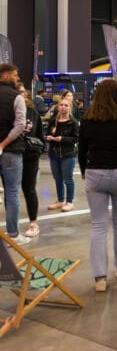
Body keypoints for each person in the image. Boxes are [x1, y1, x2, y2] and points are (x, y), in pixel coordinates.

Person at [78, 79, 117, 292]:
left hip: (95, 173)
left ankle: (99, 277)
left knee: (98, 225)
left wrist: (85, 171)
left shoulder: (87, 119)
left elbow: (82, 151)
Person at [0, 64, 28, 245]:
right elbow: (20, 125)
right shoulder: (17, 97)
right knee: (12, 193)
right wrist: (2, 144)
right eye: (15, 75)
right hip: (11, 152)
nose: (17, 77)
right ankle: (13, 234)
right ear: (6, 75)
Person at [17, 83, 45, 237]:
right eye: (19, 92)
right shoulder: (9, 110)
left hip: (30, 156)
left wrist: (38, 150)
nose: (22, 95)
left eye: (24, 92)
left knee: (29, 189)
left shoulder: (32, 112)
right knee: (12, 191)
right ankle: (12, 226)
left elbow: (40, 134)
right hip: (12, 154)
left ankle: (33, 223)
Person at [45, 96, 80, 212]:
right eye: (61, 105)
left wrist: (62, 139)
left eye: (66, 105)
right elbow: (48, 133)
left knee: (68, 179)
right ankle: (60, 200)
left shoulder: (73, 122)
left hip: (67, 154)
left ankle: (69, 201)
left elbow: (75, 139)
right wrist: (49, 137)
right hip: (54, 153)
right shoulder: (53, 120)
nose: (63, 107)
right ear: (58, 107)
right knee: (57, 178)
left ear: (70, 108)